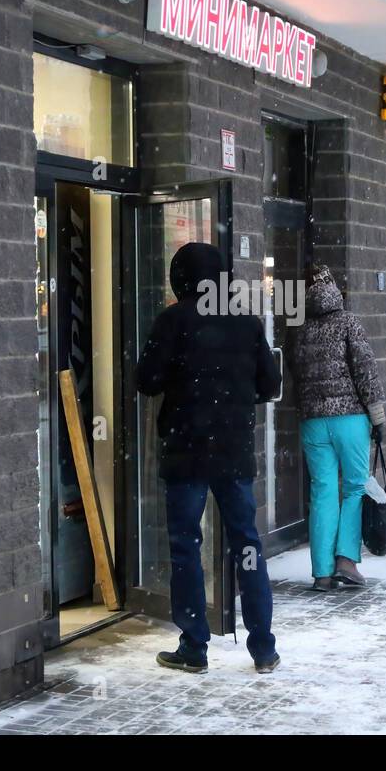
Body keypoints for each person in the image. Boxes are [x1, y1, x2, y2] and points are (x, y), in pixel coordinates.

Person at [136, 242, 282, 675]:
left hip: (186, 454)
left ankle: (194, 646)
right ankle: (263, 648)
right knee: (248, 546)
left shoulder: (173, 320)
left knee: (186, 548)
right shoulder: (247, 322)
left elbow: (147, 380)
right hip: (233, 454)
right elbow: (269, 384)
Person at [288, 264, 385, 591]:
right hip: (350, 419)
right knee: (356, 486)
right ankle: (347, 560)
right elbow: (366, 371)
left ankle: (322, 573)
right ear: (335, 291)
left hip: (313, 422)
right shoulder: (348, 322)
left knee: (323, 491)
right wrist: (378, 417)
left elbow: (295, 374)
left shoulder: (298, 327)